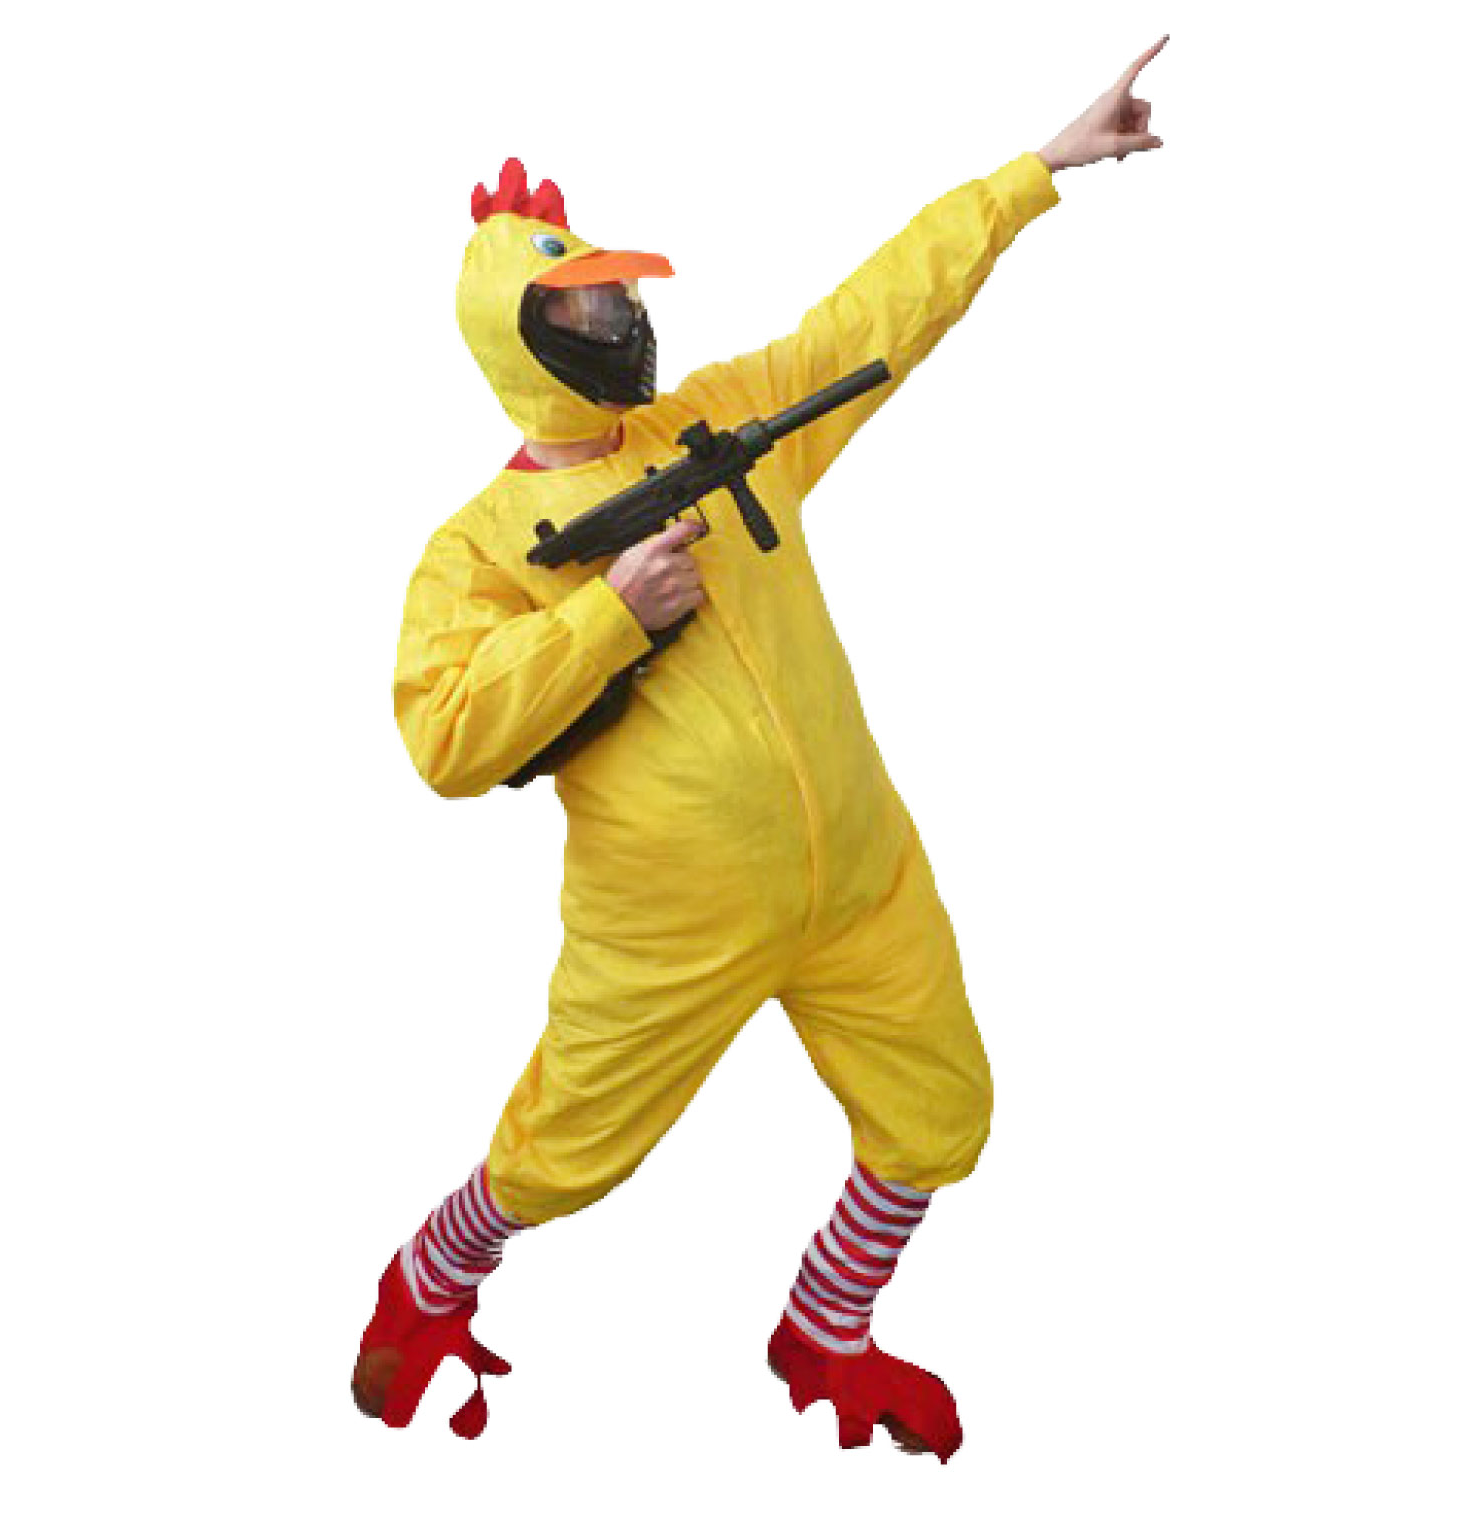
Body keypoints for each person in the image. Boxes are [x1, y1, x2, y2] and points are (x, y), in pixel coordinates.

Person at [353, 37, 1169, 1461]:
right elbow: (445, 735)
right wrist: (609, 615)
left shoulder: (723, 420)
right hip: (666, 926)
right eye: (584, 301)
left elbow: (875, 315)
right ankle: (431, 1276)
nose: (617, 315)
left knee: (942, 1110)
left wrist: (1036, 170)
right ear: (521, 335)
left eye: (617, 292)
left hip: (858, 871)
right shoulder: (473, 549)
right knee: (560, 1156)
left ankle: (825, 1325)